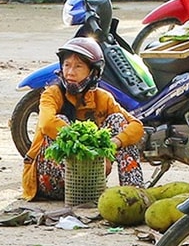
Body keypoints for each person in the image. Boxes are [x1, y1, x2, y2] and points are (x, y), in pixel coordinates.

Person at [22, 38, 145, 201]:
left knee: (117, 120)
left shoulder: (102, 98)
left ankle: (134, 196)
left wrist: (114, 143)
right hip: (50, 182)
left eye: (78, 66)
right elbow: (47, 123)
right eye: (67, 65)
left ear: (93, 72)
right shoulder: (52, 94)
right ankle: (81, 190)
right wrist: (90, 149)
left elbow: (136, 126)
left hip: (90, 181)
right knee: (60, 119)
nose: (70, 72)